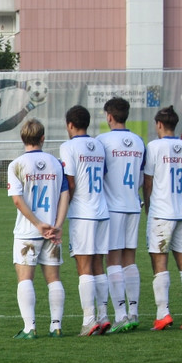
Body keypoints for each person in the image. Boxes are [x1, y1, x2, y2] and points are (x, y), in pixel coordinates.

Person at [7, 118, 70, 339]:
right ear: (42, 138)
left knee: (25, 279)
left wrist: (37, 224)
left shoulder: (16, 165)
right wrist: (58, 226)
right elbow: (65, 195)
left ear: (23, 138)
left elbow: (17, 200)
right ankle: (56, 326)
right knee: (54, 279)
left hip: (28, 232)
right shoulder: (56, 163)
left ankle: (29, 328)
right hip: (52, 232)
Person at [143, 106, 182, 330]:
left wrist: (148, 208)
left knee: (160, 262)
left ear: (159, 125)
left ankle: (162, 313)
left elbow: (148, 182)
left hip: (161, 213)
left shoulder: (154, 146)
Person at [59, 105, 110, 336]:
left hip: (82, 213)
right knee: (98, 264)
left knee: (83, 266)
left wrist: (61, 211)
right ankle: (103, 316)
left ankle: (89, 320)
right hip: (102, 211)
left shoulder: (68, 146)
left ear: (70, 125)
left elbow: (70, 183)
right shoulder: (99, 145)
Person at [97, 97, 146, 332]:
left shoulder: (102, 141)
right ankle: (134, 312)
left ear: (109, 116)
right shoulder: (138, 141)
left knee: (113, 260)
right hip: (133, 204)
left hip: (113, 207)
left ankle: (120, 315)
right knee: (130, 260)